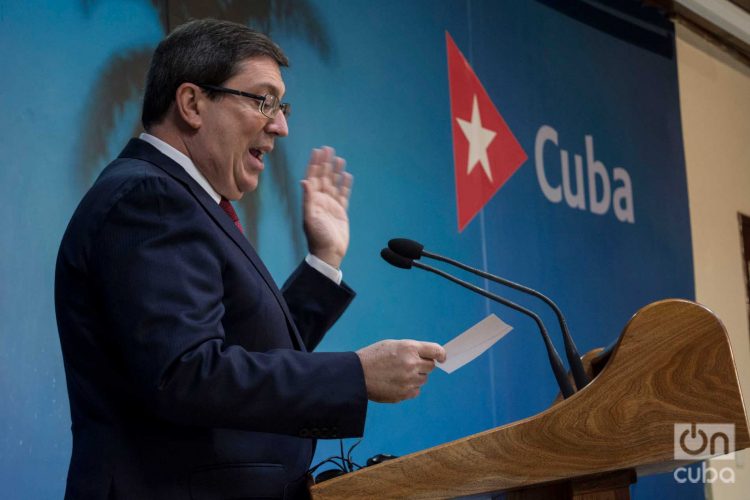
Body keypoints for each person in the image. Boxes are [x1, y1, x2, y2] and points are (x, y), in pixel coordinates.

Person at [54, 18, 446, 500]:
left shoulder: (177, 199)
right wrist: (356, 374)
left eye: (281, 106)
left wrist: (324, 259)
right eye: (263, 100)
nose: (280, 125)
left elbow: (247, 355)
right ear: (193, 103)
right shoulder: (150, 197)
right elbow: (187, 374)